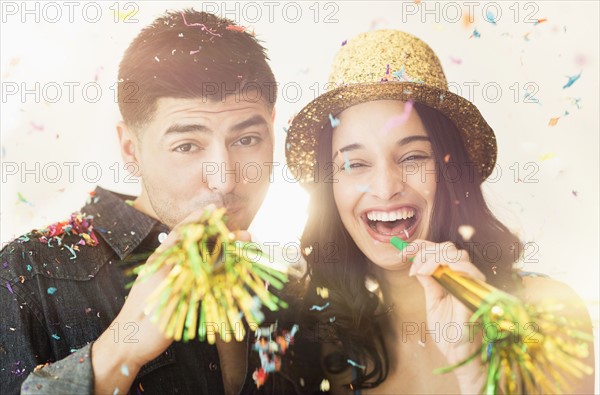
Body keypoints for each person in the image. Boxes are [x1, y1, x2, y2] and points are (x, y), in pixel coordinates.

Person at [0, 9, 322, 395]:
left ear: (272, 126)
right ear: (130, 148)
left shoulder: (283, 295)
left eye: (246, 140)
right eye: (187, 145)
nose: (225, 179)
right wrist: (122, 347)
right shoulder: (26, 273)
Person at [285, 30, 595, 394]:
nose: (385, 188)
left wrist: (477, 376)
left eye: (414, 156)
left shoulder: (543, 316)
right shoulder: (323, 341)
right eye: (354, 164)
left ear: (450, 171)